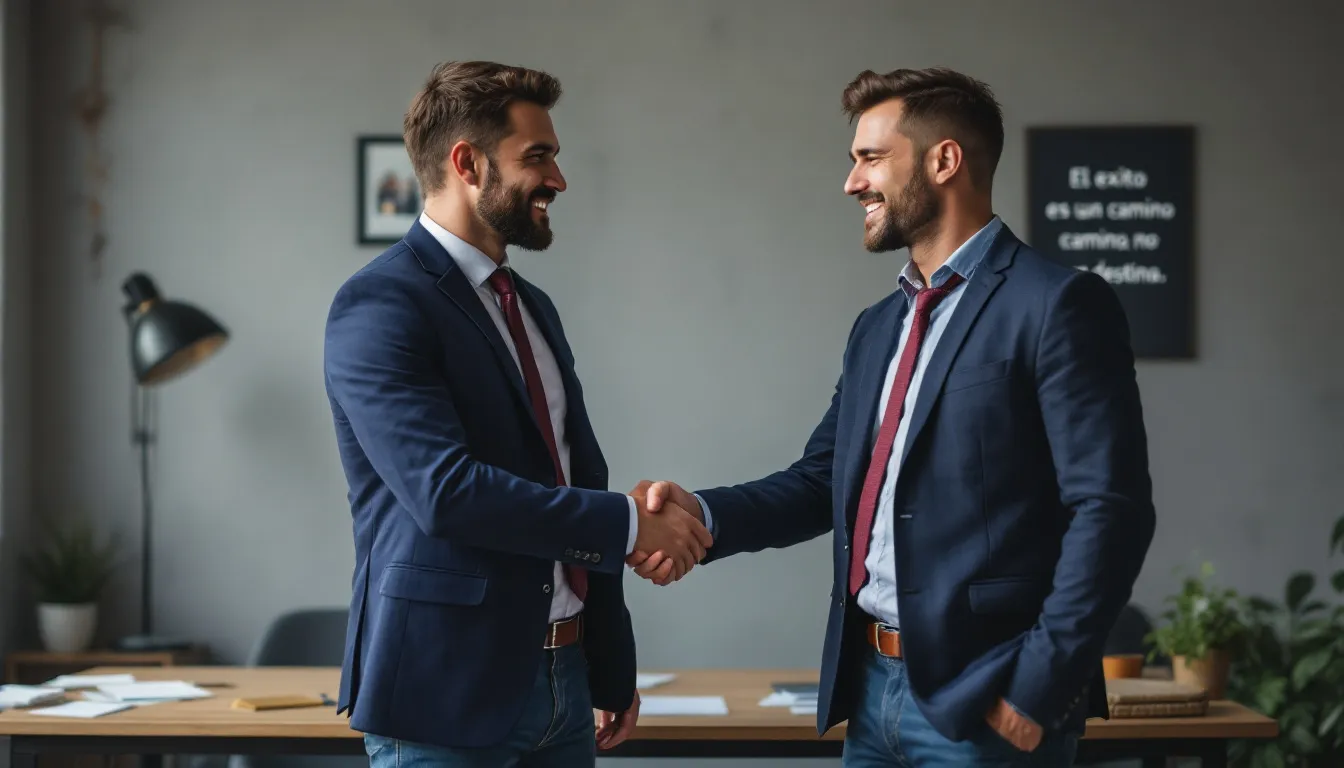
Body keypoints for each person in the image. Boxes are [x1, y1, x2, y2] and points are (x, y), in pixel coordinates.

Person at [629, 67, 1155, 767]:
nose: (853, 182)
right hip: (869, 692)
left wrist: (1040, 687)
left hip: (987, 702)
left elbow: (1111, 509)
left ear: (944, 160)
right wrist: (701, 514)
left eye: (871, 158)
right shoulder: (878, 326)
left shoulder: (1057, 305)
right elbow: (822, 482)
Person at [323, 60, 712, 767]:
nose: (558, 179)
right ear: (467, 163)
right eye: (538, 157)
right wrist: (629, 523)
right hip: (444, 697)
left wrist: (608, 662)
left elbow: (571, 475)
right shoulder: (380, 305)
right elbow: (446, 493)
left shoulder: (532, 306)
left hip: (567, 685)